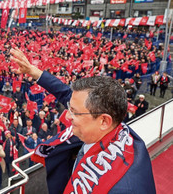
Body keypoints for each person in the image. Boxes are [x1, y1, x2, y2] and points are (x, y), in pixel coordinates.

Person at [10, 48, 156, 194]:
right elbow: (66, 93)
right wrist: (32, 71)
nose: (67, 116)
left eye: (74, 112)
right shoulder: (109, 123)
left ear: (104, 121)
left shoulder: (125, 188)